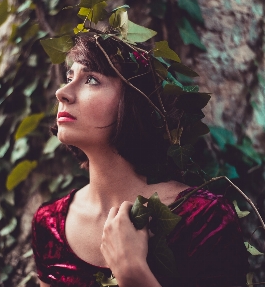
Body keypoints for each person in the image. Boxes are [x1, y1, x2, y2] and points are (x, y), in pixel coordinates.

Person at [31, 34, 249, 287]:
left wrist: (132, 273)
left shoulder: (203, 219)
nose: (62, 92)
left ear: (135, 102)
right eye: (69, 78)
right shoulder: (49, 224)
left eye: (91, 79)